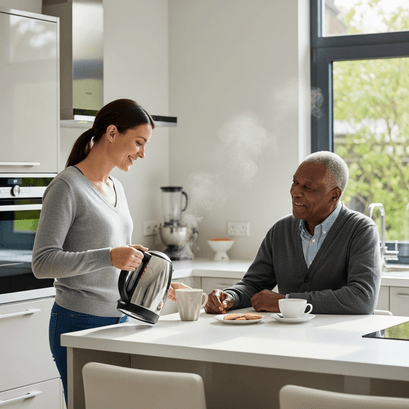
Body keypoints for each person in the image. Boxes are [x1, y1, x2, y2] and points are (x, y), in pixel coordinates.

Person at [32, 99, 155, 404]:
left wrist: (155, 280)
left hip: (120, 320)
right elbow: (42, 263)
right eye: (139, 142)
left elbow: (118, 257)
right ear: (112, 133)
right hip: (78, 320)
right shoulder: (67, 187)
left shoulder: (116, 187)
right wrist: (109, 255)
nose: (142, 153)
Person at [204, 151, 382, 315]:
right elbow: (254, 284)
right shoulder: (280, 230)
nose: (295, 192)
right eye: (295, 182)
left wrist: (285, 302)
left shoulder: (361, 230)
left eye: (308, 187)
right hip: (290, 340)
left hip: (341, 342)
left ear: (334, 195)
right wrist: (230, 296)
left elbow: (361, 299)